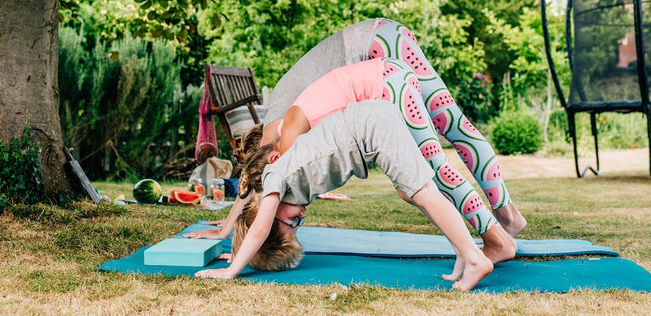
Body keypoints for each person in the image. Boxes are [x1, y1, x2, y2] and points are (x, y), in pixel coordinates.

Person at [261, 18, 526, 236]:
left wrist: (242, 221)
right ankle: (508, 217)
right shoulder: (290, 112)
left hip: (377, 55)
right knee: (456, 127)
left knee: (430, 165)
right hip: (388, 35)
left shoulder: (281, 129)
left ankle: (495, 239)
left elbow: (270, 178)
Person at [193, 101, 495, 291]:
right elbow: (259, 231)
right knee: (411, 193)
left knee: (423, 191)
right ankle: (461, 251)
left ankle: (474, 257)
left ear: (270, 217)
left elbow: (259, 227)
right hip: (372, 125)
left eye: (291, 225)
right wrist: (242, 253)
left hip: (372, 128)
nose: (301, 220)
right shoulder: (291, 189)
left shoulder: (274, 177)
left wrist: (233, 270)